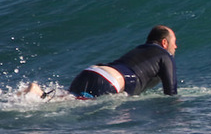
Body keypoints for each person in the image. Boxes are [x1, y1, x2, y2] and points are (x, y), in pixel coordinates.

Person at [19, 25, 179, 99]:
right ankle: (35, 92)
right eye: (174, 42)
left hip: (93, 72)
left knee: (64, 99)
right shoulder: (165, 55)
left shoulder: (141, 50)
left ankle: (23, 94)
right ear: (164, 43)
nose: (176, 46)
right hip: (108, 81)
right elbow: (171, 93)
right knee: (72, 103)